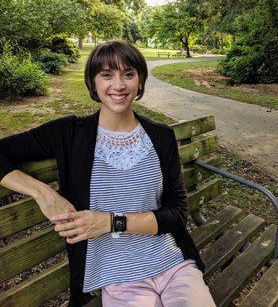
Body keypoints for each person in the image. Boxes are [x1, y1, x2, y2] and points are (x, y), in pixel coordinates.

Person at [0, 40, 216, 307]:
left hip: (173, 263)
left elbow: (177, 214)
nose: (119, 85)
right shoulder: (68, 133)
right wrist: (42, 192)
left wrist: (111, 222)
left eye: (128, 74)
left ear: (140, 81)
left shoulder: (161, 137)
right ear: (93, 83)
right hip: (117, 275)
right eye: (106, 75)